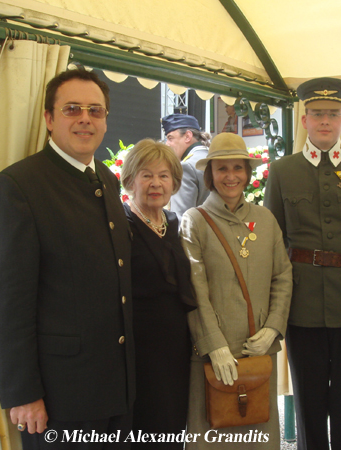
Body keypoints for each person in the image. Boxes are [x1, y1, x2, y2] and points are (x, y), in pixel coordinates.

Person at [0, 68, 135, 449]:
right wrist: (21, 393)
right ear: (49, 119)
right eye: (72, 109)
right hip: (59, 394)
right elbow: (7, 304)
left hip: (116, 387)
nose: (85, 118)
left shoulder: (106, 179)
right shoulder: (19, 186)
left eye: (95, 110)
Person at [265, 77, 341, 450]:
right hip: (303, 305)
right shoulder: (284, 171)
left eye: (333, 114)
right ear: (304, 120)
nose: (325, 121)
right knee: (309, 402)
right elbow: (275, 238)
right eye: (317, 114)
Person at [181, 133, 292, 449]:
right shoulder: (194, 222)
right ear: (209, 174)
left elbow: (283, 277)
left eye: (238, 168)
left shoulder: (266, 219)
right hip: (212, 359)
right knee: (212, 437)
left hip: (258, 353)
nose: (231, 177)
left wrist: (273, 328)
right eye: (222, 169)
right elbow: (194, 289)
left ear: (248, 172)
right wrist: (214, 345)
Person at [120, 139, 196, 447]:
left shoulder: (175, 222)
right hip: (139, 350)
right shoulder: (121, 226)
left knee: (174, 425)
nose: (156, 183)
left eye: (164, 176)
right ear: (131, 179)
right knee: (146, 430)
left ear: (174, 182)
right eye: (147, 174)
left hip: (177, 348)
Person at [163, 114, 210, 223]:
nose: (167, 144)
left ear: (188, 136)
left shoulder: (185, 167)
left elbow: (182, 221)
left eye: (170, 138)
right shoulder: (214, 159)